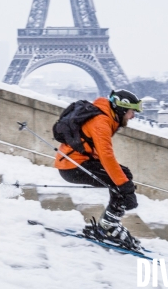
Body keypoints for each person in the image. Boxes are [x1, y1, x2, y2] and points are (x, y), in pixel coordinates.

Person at [55, 89, 142, 249]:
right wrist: (126, 188)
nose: (133, 116)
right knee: (119, 182)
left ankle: (109, 224)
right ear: (121, 109)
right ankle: (108, 227)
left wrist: (125, 184)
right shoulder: (102, 122)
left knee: (124, 176)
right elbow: (107, 157)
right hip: (72, 165)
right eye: (131, 112)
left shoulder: (106, 116)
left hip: (78, 161)